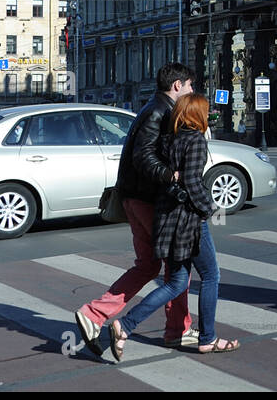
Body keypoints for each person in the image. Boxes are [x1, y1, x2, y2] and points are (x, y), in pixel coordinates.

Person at [74, 63, 195, 355]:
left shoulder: (151, 108)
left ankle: (94, 315)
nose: (193, 92)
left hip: (134, 198)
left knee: (148, 265)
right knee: (178, 265)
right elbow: (143, 157)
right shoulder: (160, 112)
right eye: (190, 86)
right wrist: (171, 175)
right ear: (177, 85)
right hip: (148, 200)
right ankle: (178, 330)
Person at [106, 93, 237, 359]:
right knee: (211, 275)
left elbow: (170, 177)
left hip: (168, 217)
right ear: (196, 115)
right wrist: (210, 208)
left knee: (176, 282)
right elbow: (192, 183)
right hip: (189, 220)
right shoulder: (196, 140)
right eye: (205, 112)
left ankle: (125, 326)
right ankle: (208, 338)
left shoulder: (169, 140)